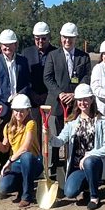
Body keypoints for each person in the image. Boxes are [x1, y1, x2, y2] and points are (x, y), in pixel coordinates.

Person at [49, 84, 105, 210]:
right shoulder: (72, 123)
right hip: (78, 167)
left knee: (89, 161)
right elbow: (60, 141)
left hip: (95, 164)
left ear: (91, 99)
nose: (82, 103)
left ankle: (94, 196)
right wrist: (49, 136)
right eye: (79, 100)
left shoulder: (101, 121)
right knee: (70, 192)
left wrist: (90, 154)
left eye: (85, 99)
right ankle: (88, 186)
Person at [43, 22, 91, 171]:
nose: (67, 41)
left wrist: (75, 94)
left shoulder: (84, 57)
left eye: (70, 38)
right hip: (56, 105)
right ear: (61, 38)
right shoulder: (52, 55)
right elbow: (48, 78)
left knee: (76, 136)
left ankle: (74, 166)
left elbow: (87, 78)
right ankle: (52, 168)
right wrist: (60, 94)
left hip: (76, 105)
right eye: (65, 37)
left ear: (75, 38)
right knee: (55, 137)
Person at [0, 94, 42, 207]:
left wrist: (9, 161)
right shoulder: (8, 127)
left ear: (28, 111)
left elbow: (25, 148)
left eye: (22, 111)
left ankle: (27, 195)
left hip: (33, 163)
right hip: (17, 165)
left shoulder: (31, 124)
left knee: (26, 156)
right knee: (3, 186)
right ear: (13, 111)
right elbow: (4, 148)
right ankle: (22, 187)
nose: (19, 113)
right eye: (16, 110)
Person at [0, 29, 31, 120]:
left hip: (20, 109)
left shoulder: (23, 61)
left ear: (15, 45)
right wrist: (9, 98)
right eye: (5, 45)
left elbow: (27, 83)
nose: (7, 48)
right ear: (0, 45)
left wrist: (19, 96)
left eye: (10, 44)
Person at [20, 21, 56, 110]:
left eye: (43, 38)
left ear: (49, 37)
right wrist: (31, 93)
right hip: (32, 98)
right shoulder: (26, 53)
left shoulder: (56, 53)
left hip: (51, 97)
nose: (40, 41)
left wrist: (48, 94)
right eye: (37, 38)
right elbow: (23, 77)